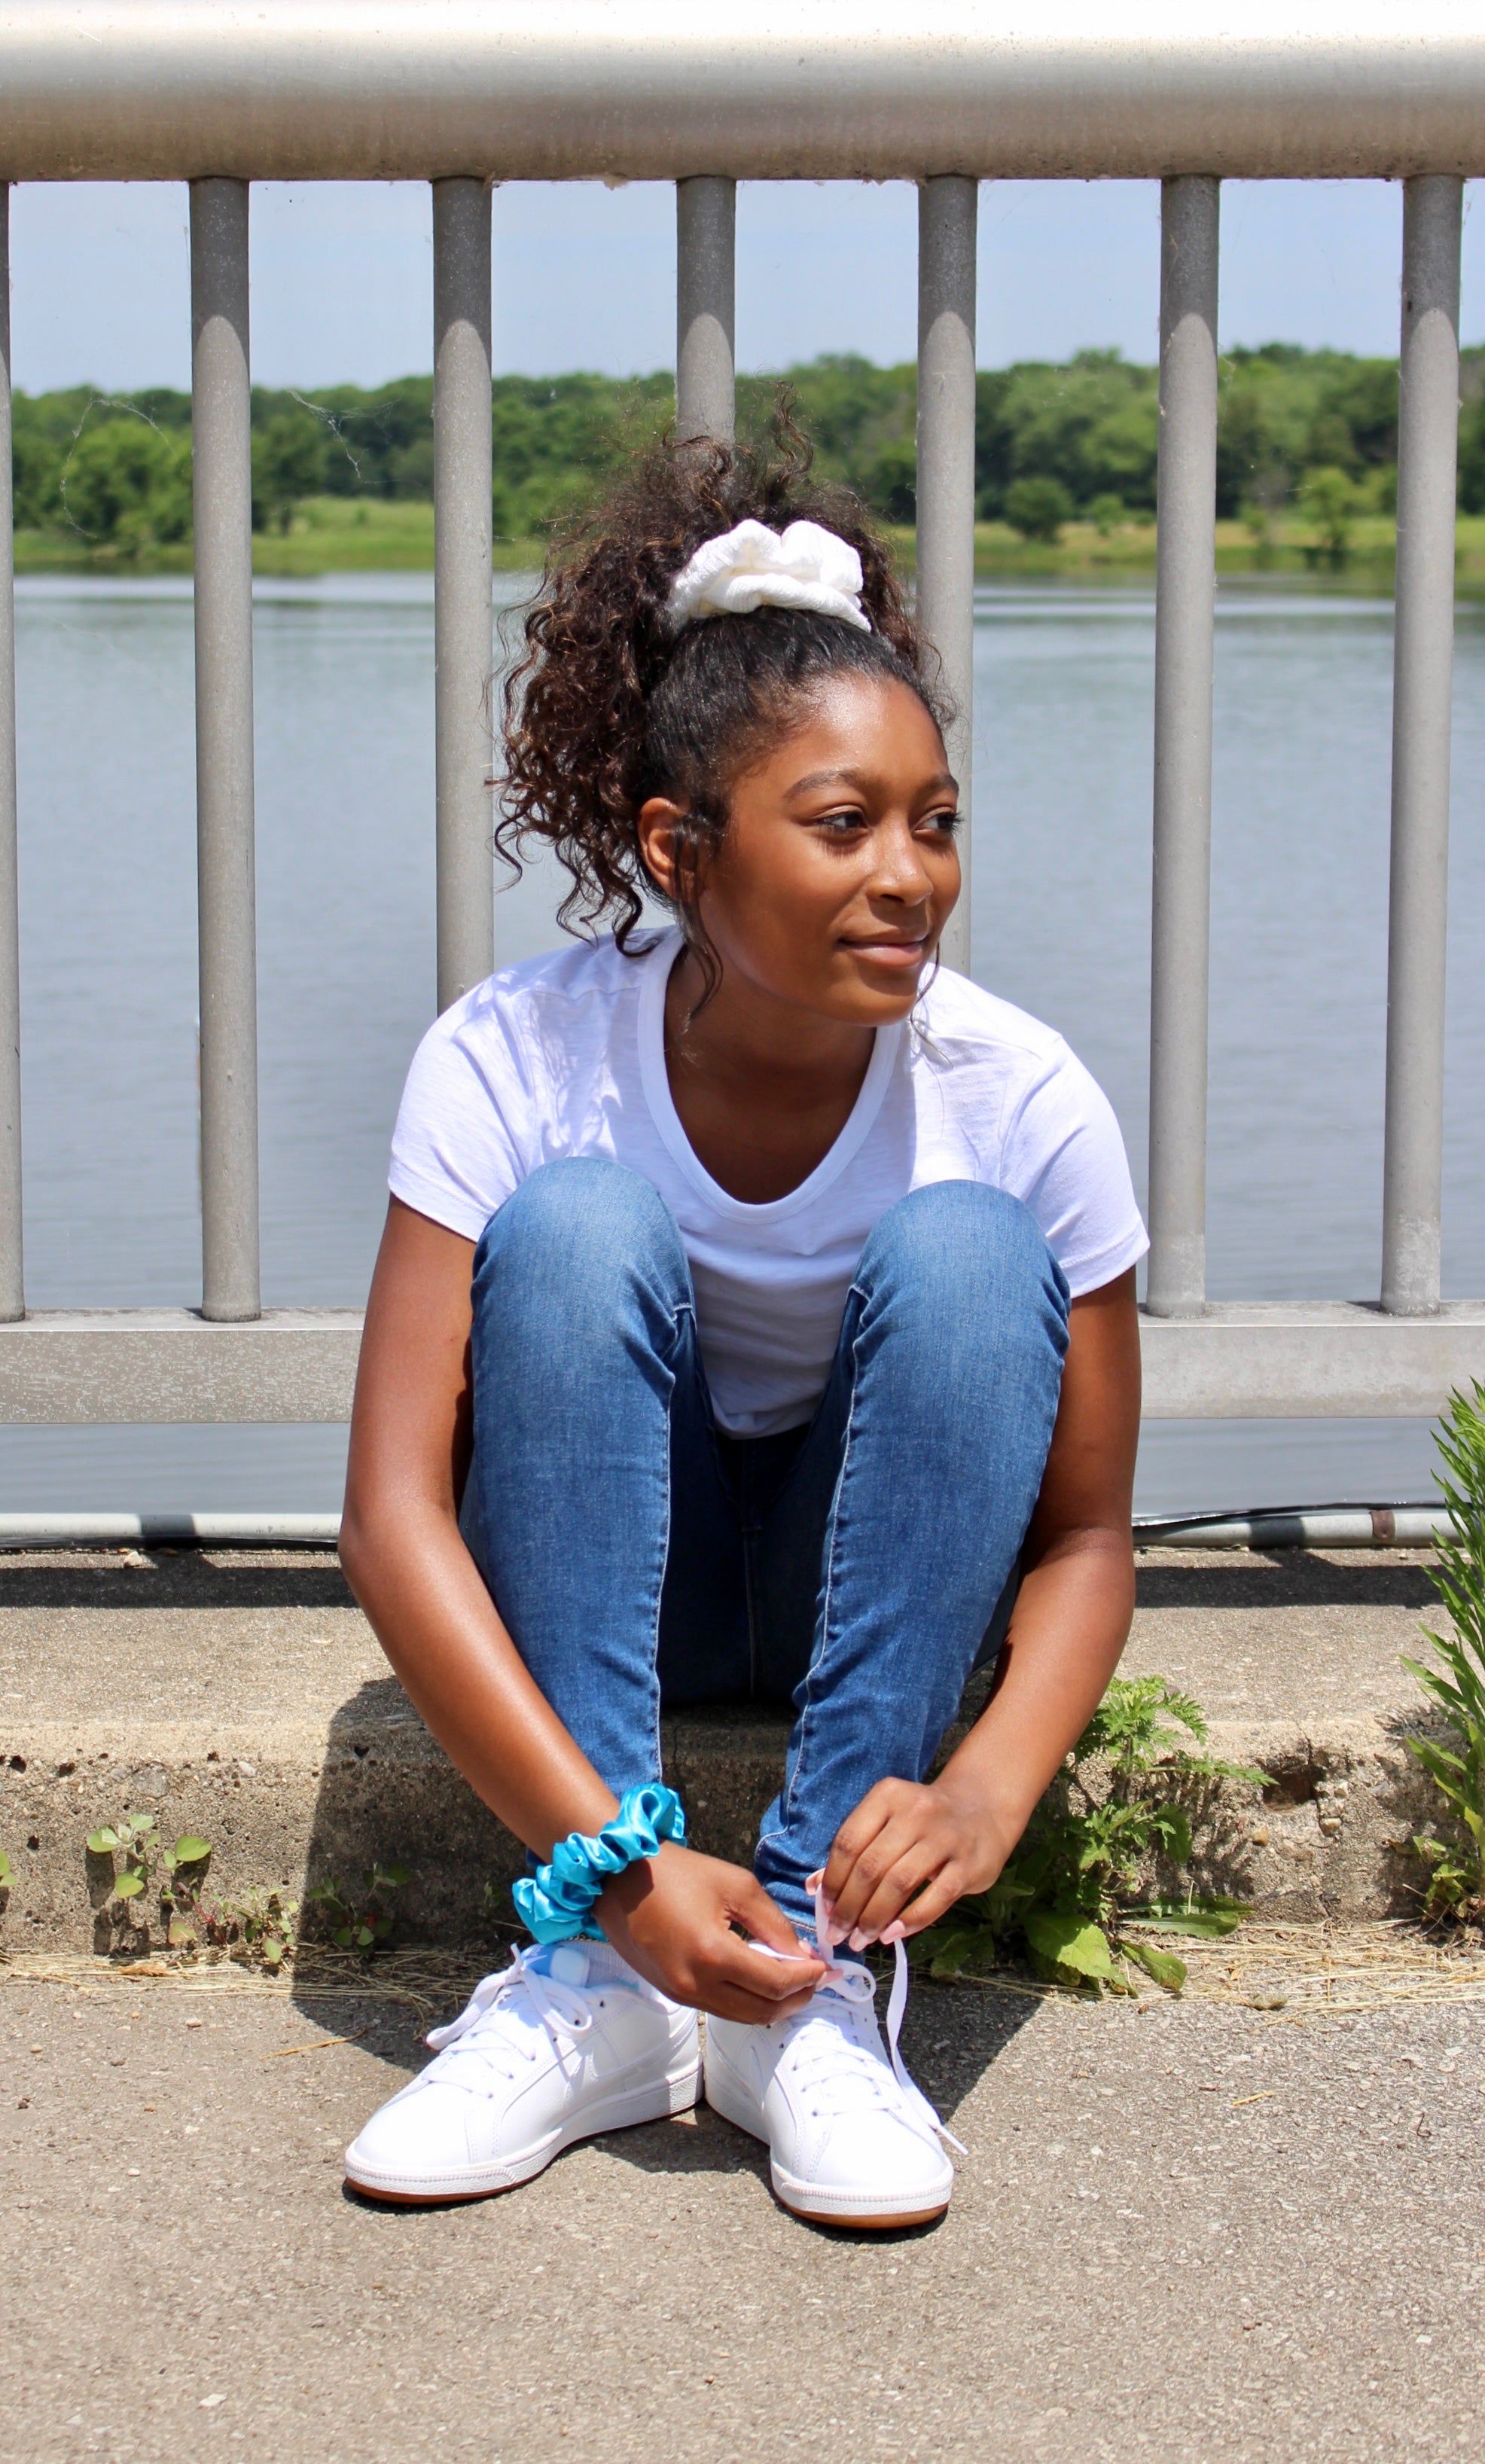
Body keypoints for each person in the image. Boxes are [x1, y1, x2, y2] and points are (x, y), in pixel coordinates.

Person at [338, 432, 1145, 2231]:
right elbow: (391, 1512)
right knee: (573, 1225)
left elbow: (1087, 1534)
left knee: (965, 1248)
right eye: (842, 824)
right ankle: (595, 1973)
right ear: (677, 849)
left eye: (934, 821)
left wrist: (985, 1787)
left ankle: (810, 1979)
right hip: (617, 1590)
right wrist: (612, 1865)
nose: (909, 875)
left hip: (871, 1606)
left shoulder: (1017, 1095)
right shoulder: (512, 1056)